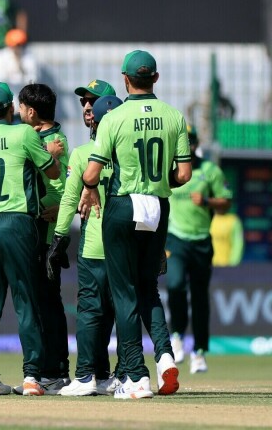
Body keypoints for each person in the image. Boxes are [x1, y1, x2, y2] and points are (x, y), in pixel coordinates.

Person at [78, 50, 192, 399]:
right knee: (148, 288)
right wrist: (157, 186)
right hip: (158, 206)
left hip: (123, 205)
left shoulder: (114, 118)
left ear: (125, 79)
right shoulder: (174, 116)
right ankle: (165, 357)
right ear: (155, 78)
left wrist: (91, 188)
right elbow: (184, 174)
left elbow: (91, 173)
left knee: (124, 292)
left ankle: (136, 376)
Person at [0, 82, 61, 396]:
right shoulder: (25, 134)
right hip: (18, 221)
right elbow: (51, 173)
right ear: (11, 107)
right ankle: (33, 377)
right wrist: (51, 154)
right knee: (26, 301)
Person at [52, 95, 124, 397]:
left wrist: (58, 237)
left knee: (90, 312)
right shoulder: (129, 156)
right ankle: (119, 375)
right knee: (121, 312)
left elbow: (69, 200)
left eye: (91, 105)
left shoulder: (83, 154)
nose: (86, 109)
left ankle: (84, 376)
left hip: (94, 247)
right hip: (127, 247)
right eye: (84, 103)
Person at [13, 83, 70, 395]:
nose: (19, 112)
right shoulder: (43, 140)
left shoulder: (52, 140)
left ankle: (55, 371)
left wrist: (61, 208)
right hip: (38, 231)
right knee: (42, 301)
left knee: (47, 302)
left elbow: (63, 184)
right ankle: (49, 370)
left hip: (47, 234)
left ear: (31, 111)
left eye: (21, 107)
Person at [166, 125, 233, 374]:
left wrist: (206, 201)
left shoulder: (209, 170)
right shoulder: (169, 170)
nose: (188, 147)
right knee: (174, 286)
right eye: (184, 142)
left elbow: (226, 203)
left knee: (200, 296)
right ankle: (177, 336)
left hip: (202, 241)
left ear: (196, 144)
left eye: (191, 142)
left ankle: (200, 352)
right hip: (175, 239)